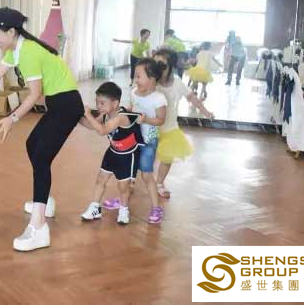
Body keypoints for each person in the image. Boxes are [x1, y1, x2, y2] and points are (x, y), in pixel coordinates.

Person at [0, 7, 83, 252]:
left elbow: (35, 94)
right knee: (33, 145)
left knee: (41, 156)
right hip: (58, 102)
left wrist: (11, 118)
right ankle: (44, 202)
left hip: (67, 105)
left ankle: (39, 227)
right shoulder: (15, 50)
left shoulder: (28, 52)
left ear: (11, 32)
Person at [78, 82, 145, 225]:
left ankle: (124, 209)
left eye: (102, 103)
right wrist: (75, 116)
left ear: (115, 104)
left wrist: (88, 114)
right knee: (100, 180)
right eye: (97, 102)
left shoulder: (121, 117)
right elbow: (91, 126)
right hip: (113, 152)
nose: (99, 106)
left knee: (123, 187)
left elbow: (102, 131)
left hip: (127, 156)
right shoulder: (105, 114)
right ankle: (95, 207)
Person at [153, 49, 214, 203]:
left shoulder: (177, 83)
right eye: (155, 64)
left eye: (161, 64)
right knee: (145, 156)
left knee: (167, 158)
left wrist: (206, 112)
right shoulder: (152, 81)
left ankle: (159, 183)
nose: (157, 68)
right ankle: (134, 179)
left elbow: (192, 98)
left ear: (170, 66)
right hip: (151, 126)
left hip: (169, 128)